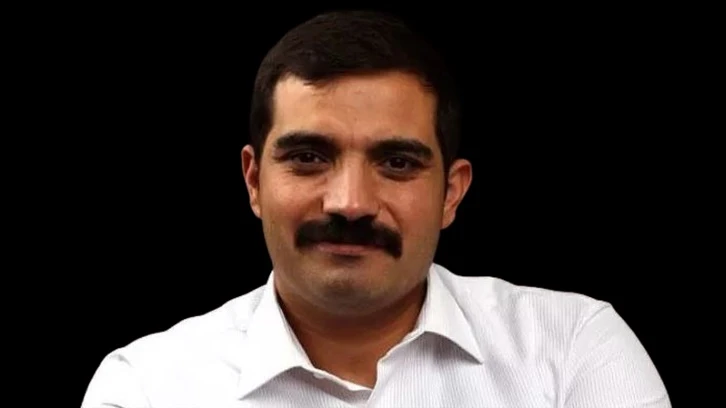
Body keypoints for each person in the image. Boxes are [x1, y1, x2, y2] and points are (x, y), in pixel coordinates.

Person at [81, 10, 671, 408]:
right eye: (309, 157)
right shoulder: (144, 389)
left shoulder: (572, 349)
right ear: (254, 181)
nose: (351, 203)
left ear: (452, 193)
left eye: (397, 163)